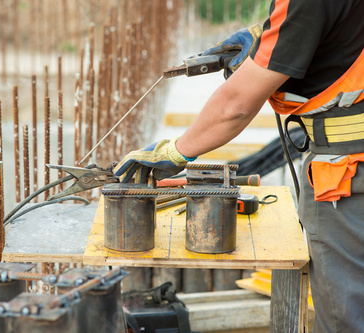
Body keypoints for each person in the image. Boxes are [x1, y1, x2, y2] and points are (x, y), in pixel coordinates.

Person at [113, 0, 364, 331]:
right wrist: (273, 36)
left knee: (344, 317)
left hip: (348, 172)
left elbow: (236, 105)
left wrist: (176, 152)